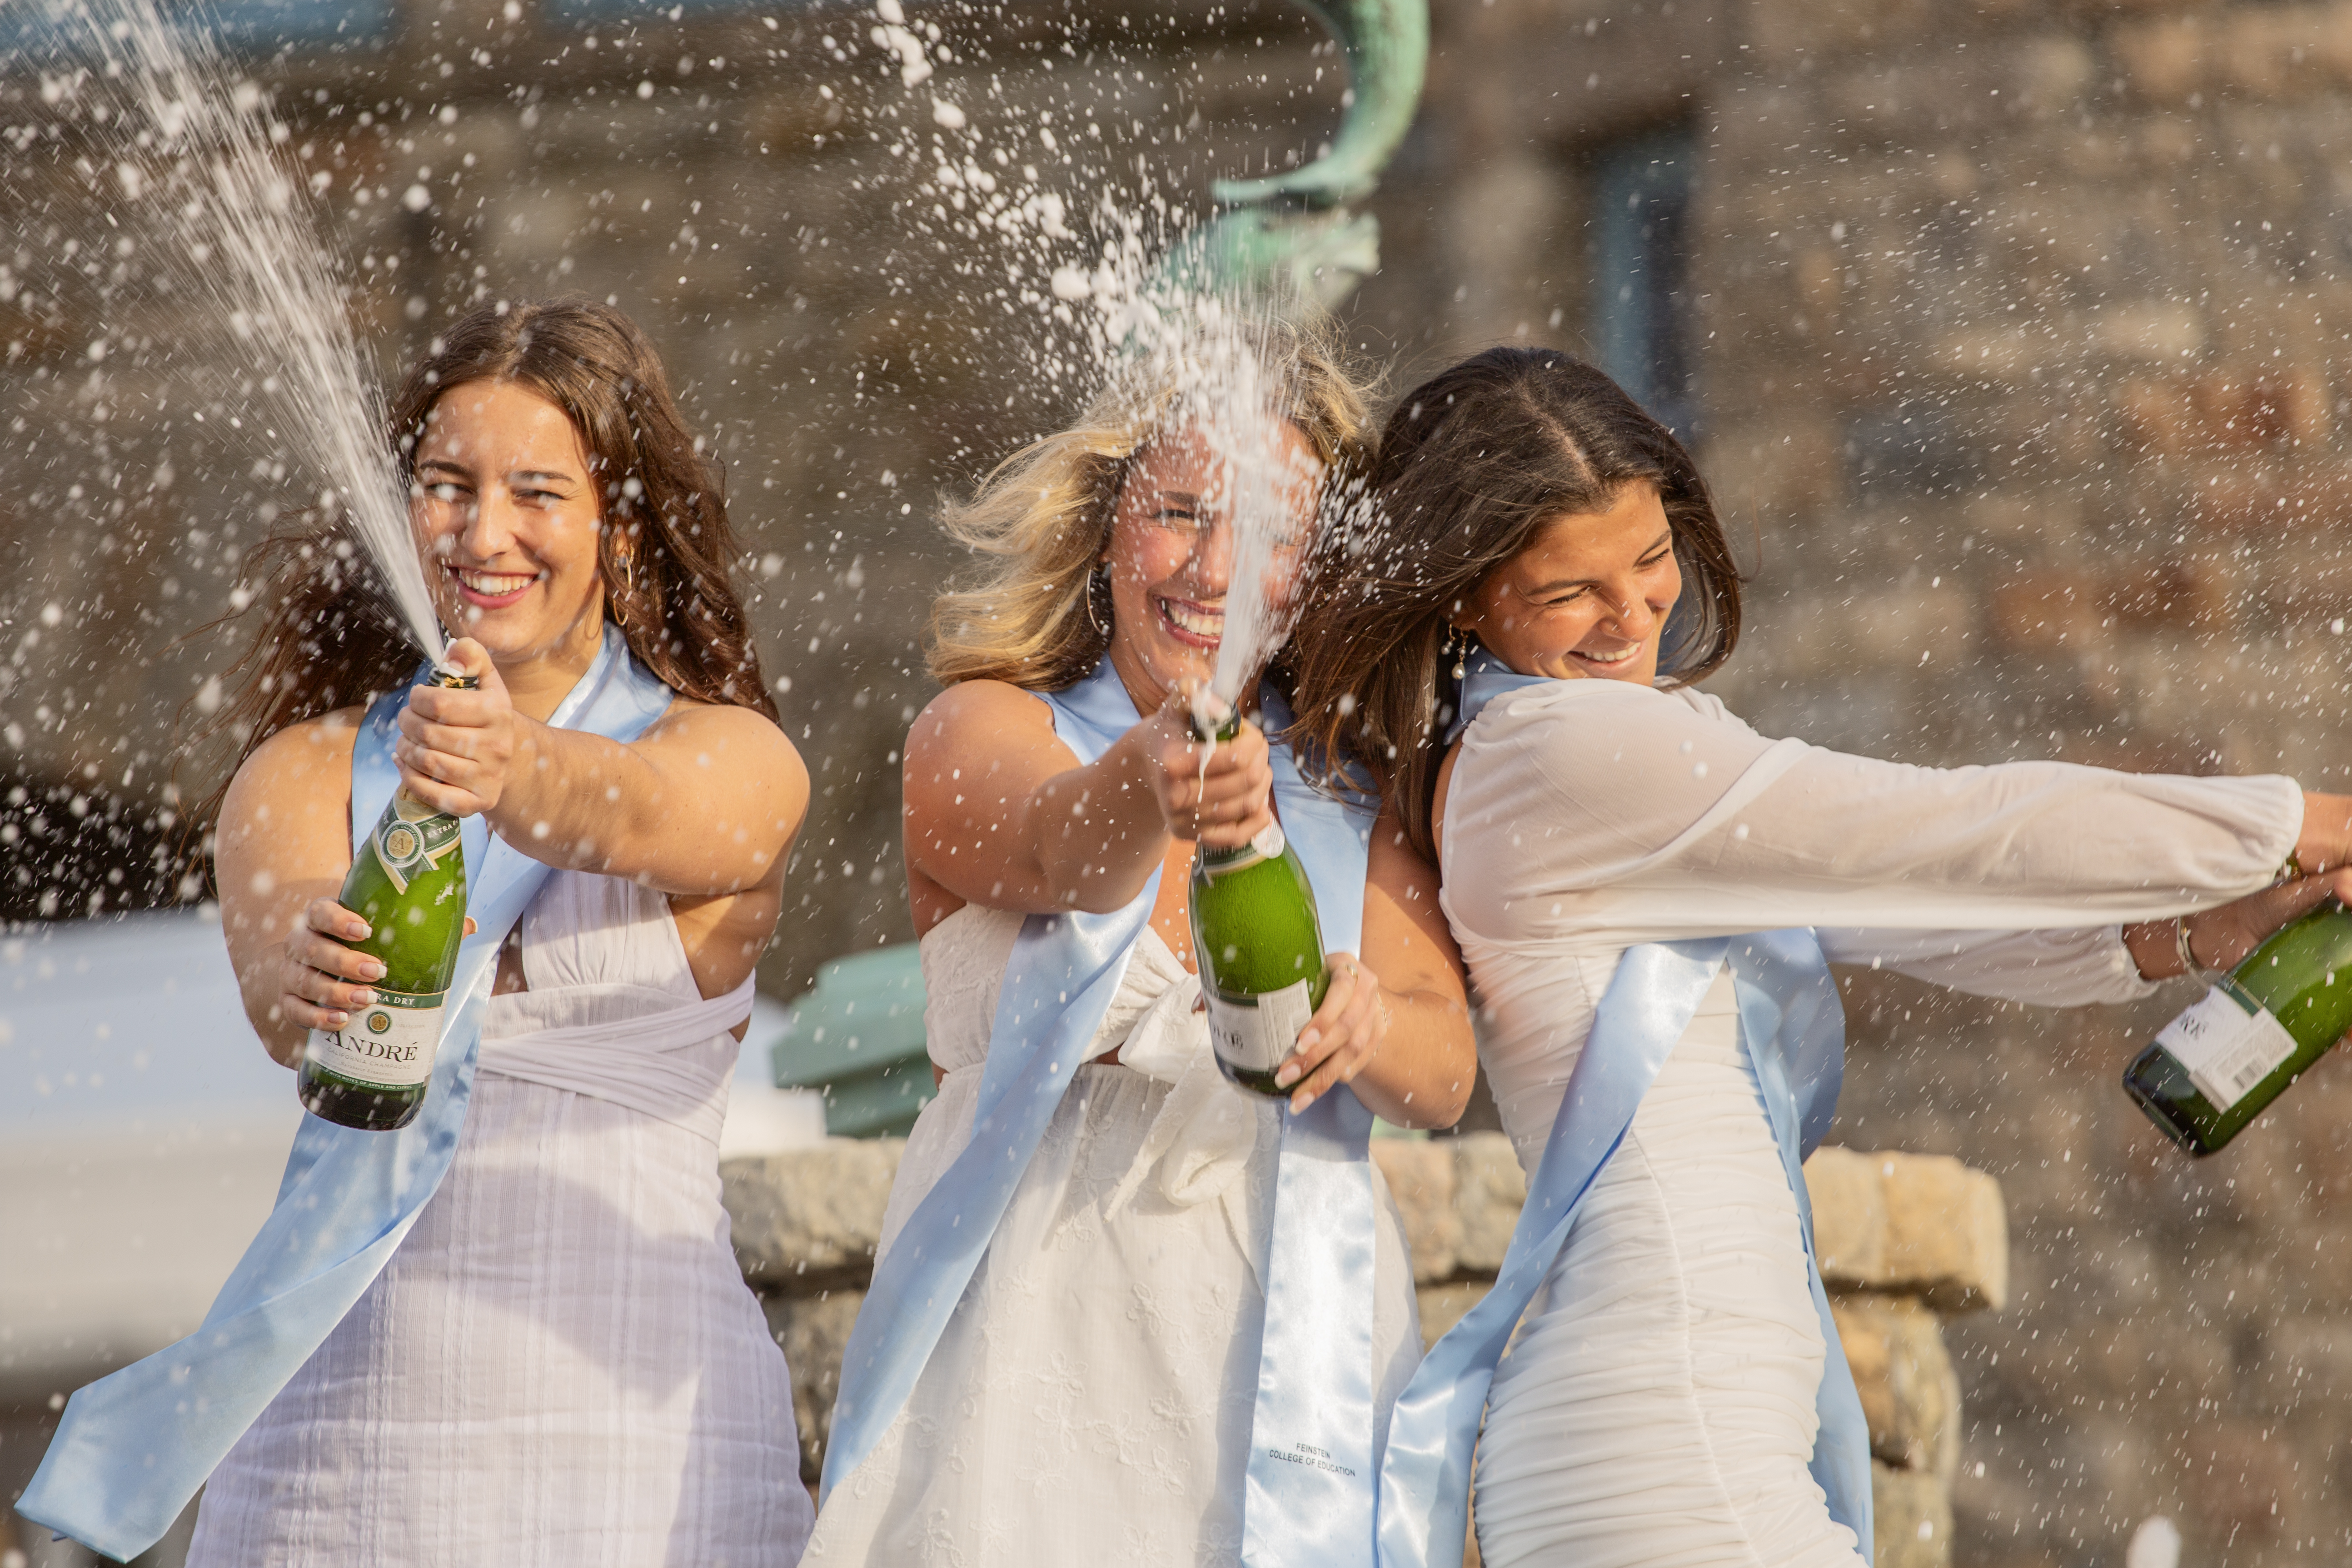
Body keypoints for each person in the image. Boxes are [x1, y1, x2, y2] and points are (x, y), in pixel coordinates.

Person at [1287, 345, 2352, 1568]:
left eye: (1651, 559)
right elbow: (1949, 830)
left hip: (1662, 1436)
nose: (1633, 614)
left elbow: (1919, 913)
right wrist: (2304, 820)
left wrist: (2201, 933)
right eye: (1572, 589)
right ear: (1466, 598)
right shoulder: (1560, 755)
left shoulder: (1557, 756)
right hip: (1667, 1446)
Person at [804, 321, 1477, 1565]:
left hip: (1297, 1341)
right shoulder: (981, 727)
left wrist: (1371, 1022)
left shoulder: (1354, 793)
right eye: (1177, 514)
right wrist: (1152, 769)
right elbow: (1062, 848)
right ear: (1108, 523)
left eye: (1270, 532)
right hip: (1028, 1335)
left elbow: (1442, 1076)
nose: (1214, 568)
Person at [174, 299, 813, 1563]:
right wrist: (308, 963)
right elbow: (278, 975)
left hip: (642, 1442)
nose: (484, 532)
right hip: (343, 1448)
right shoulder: (306, 771)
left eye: (538, 492)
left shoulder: (732, 753)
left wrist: (514, 766)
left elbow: (635, 812)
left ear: (621, 525)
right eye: (447, 487)